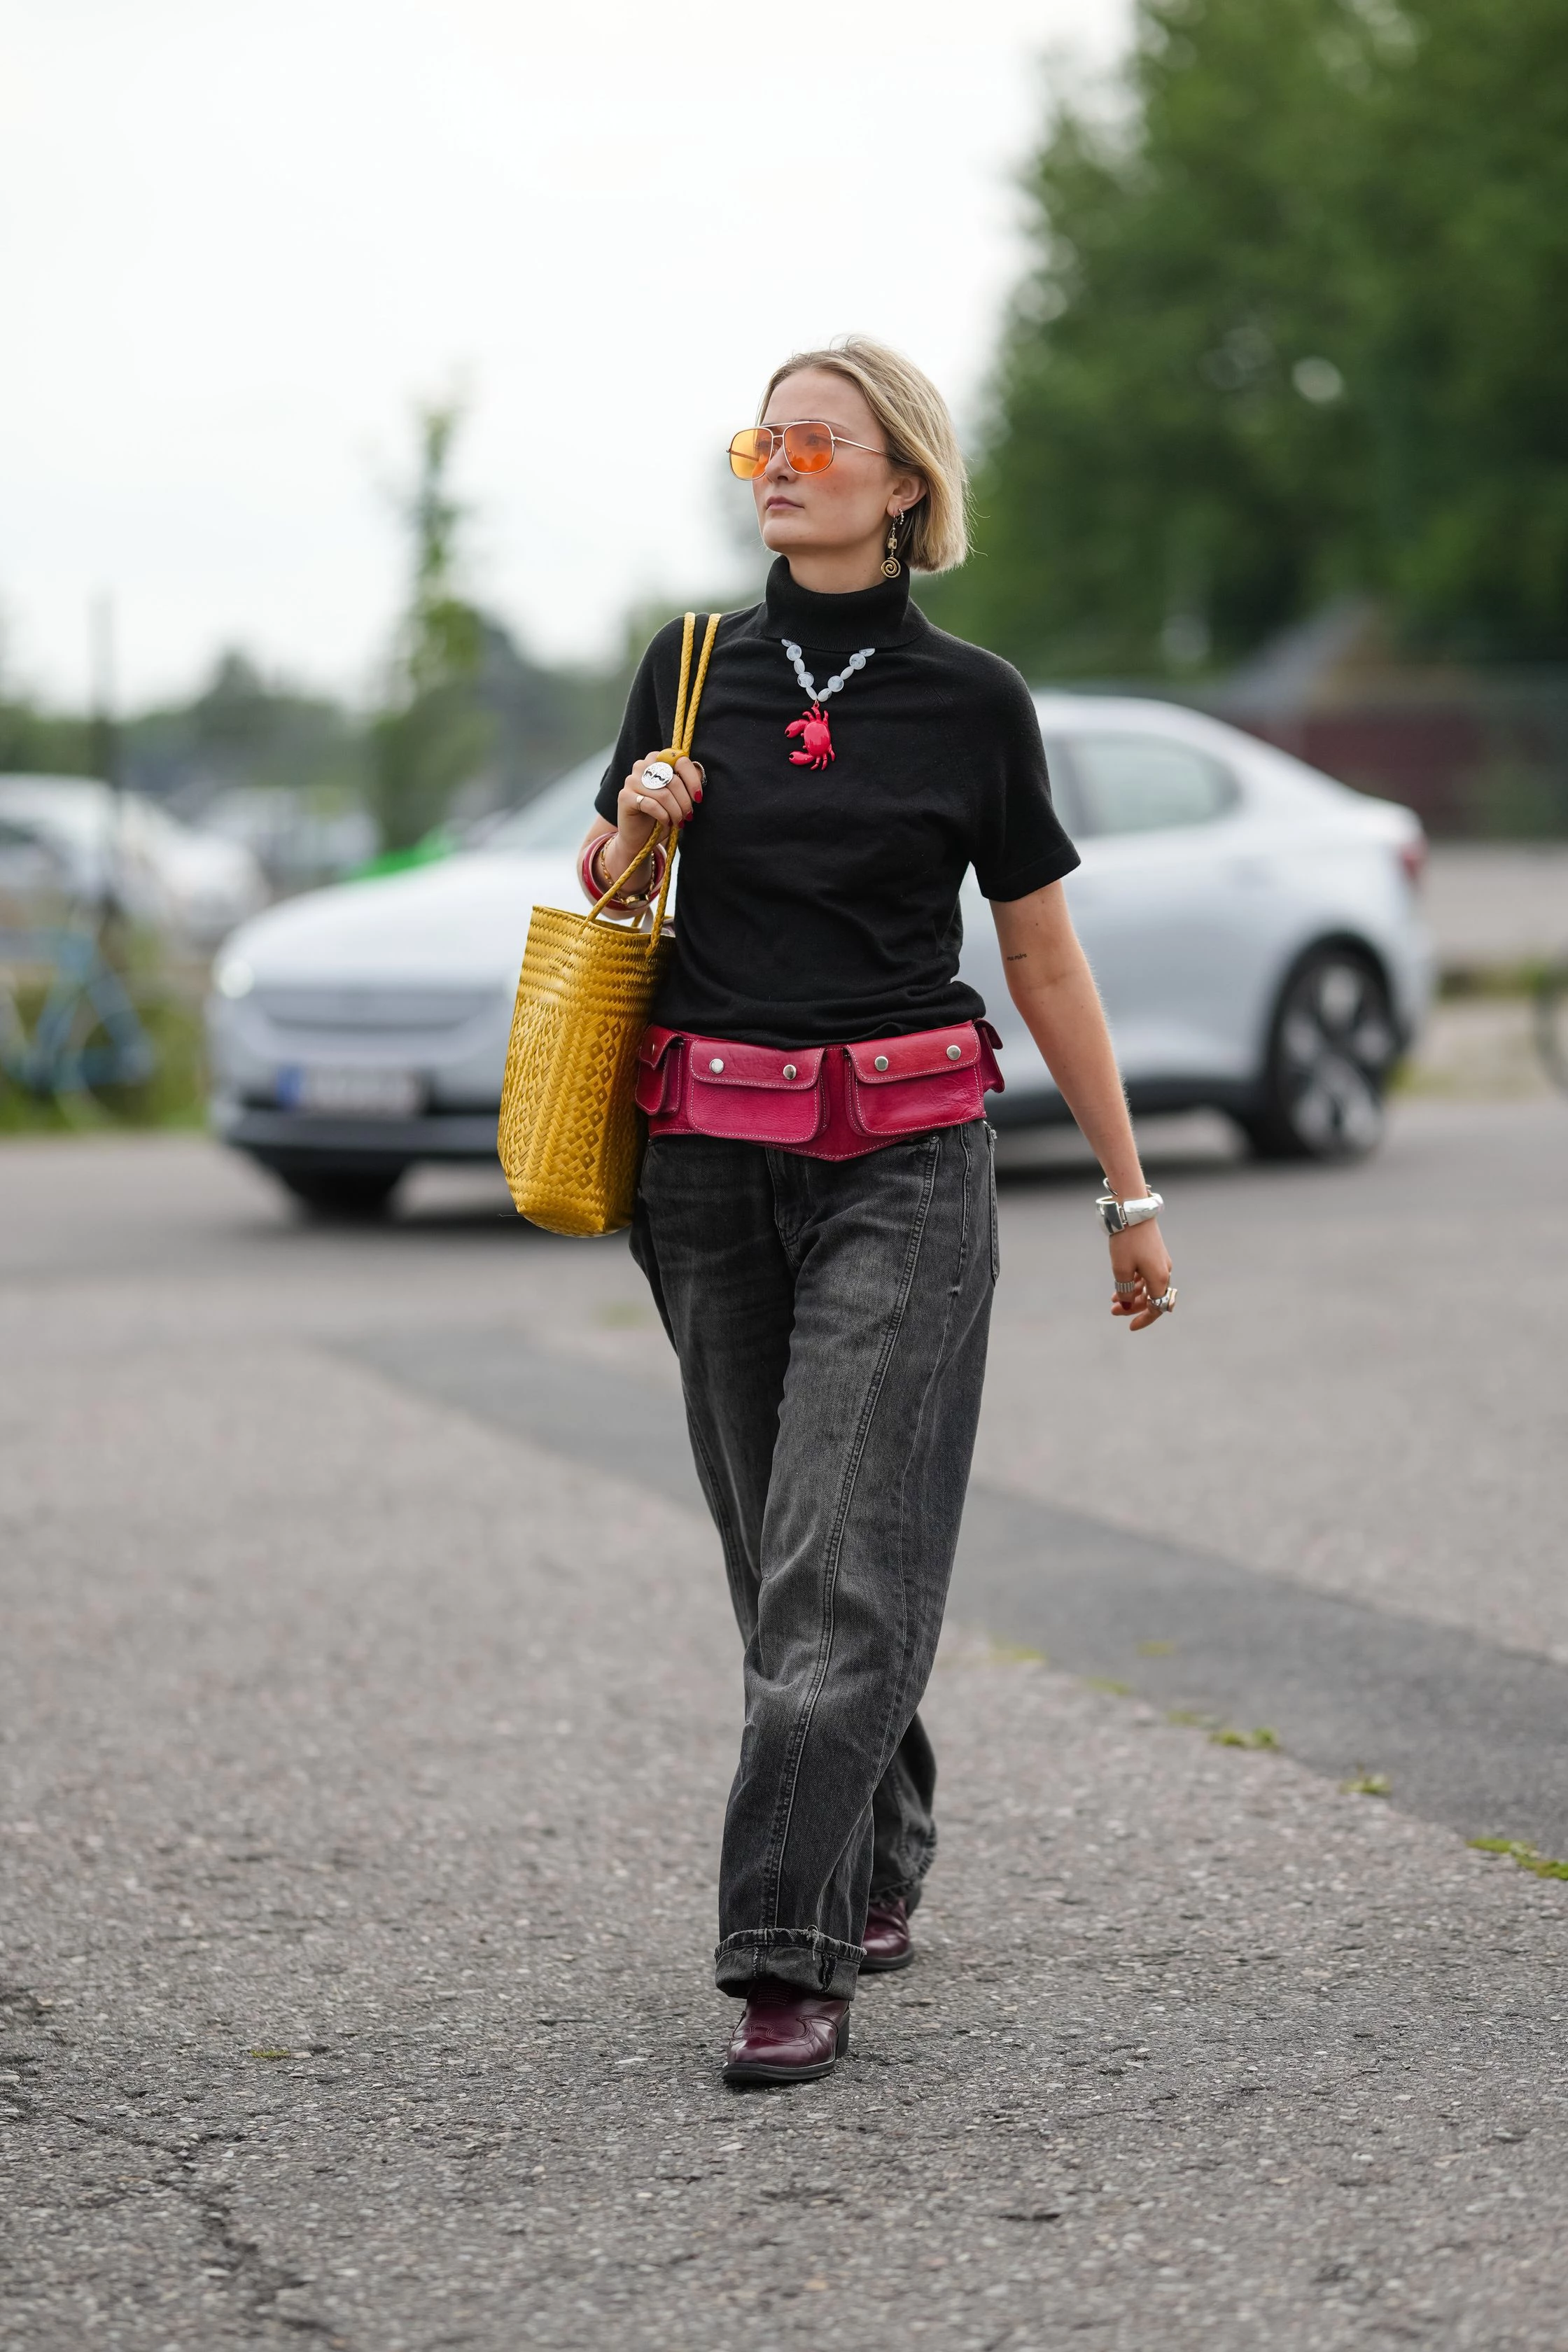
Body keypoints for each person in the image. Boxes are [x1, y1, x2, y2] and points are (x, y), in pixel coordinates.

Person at [579, 337, 1174, 2087]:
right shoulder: (690, 666)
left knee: (838, 1560)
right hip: (703, 1164)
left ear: (900, 481)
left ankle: (787, 1948)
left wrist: (1127, 1190)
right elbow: (604, 892)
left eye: (816, 441)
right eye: (760, 440)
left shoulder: (972, 702)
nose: (778, 463)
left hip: (907, 1167)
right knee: (782, 1557)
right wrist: (637, 817)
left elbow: (1043, 957)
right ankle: (879, 1842)